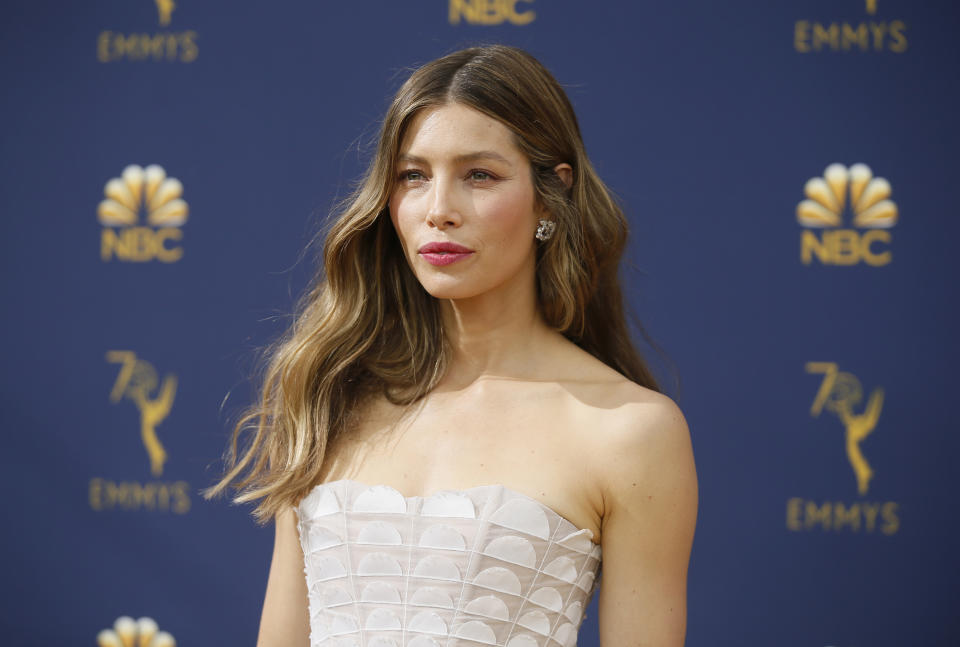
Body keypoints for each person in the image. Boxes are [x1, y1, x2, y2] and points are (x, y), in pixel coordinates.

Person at [204, 44, 697, 647]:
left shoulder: (630, 430)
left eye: (479, 176)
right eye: (413, 176)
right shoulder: (330, 393)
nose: (439, 210)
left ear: (550, 195)